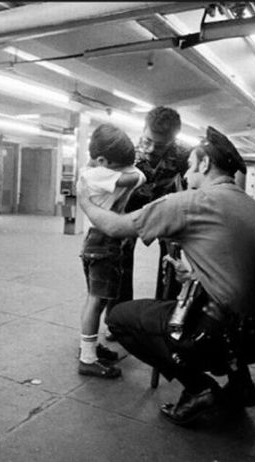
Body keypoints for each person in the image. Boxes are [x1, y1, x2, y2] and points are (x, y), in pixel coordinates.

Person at [77, 126, 255, 426]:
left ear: (205, 165)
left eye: (191, 167)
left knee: (119, 318)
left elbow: (116, 227)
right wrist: (195, 274)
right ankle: (239, 384)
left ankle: (199, 390)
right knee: (221, 307)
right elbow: (238, 268)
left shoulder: (191, 202)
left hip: (222, 335)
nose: (187, 176)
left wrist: (86, 202)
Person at [76, 124, 146, 378]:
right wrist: (132, 168)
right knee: (97, 301)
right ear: (103, 160)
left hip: (100, 242)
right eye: (118, 165)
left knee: (98, 298)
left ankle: (91, 346)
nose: (121, 170)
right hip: (102, 242)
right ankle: (87, 358)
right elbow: (138, 177)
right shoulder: (97, 174)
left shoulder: (96, 171)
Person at [119, 106, 190, 304]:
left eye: (159, 145)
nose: (150, 150)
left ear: (173, 140)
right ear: (143, 129)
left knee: (172, 257)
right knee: (120, 257)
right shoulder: (126, 151)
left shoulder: (184, 154)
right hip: (131, 206)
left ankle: (165, 308)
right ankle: (117, 316)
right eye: (148, 141)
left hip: (164, 207)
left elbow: (193, 184)